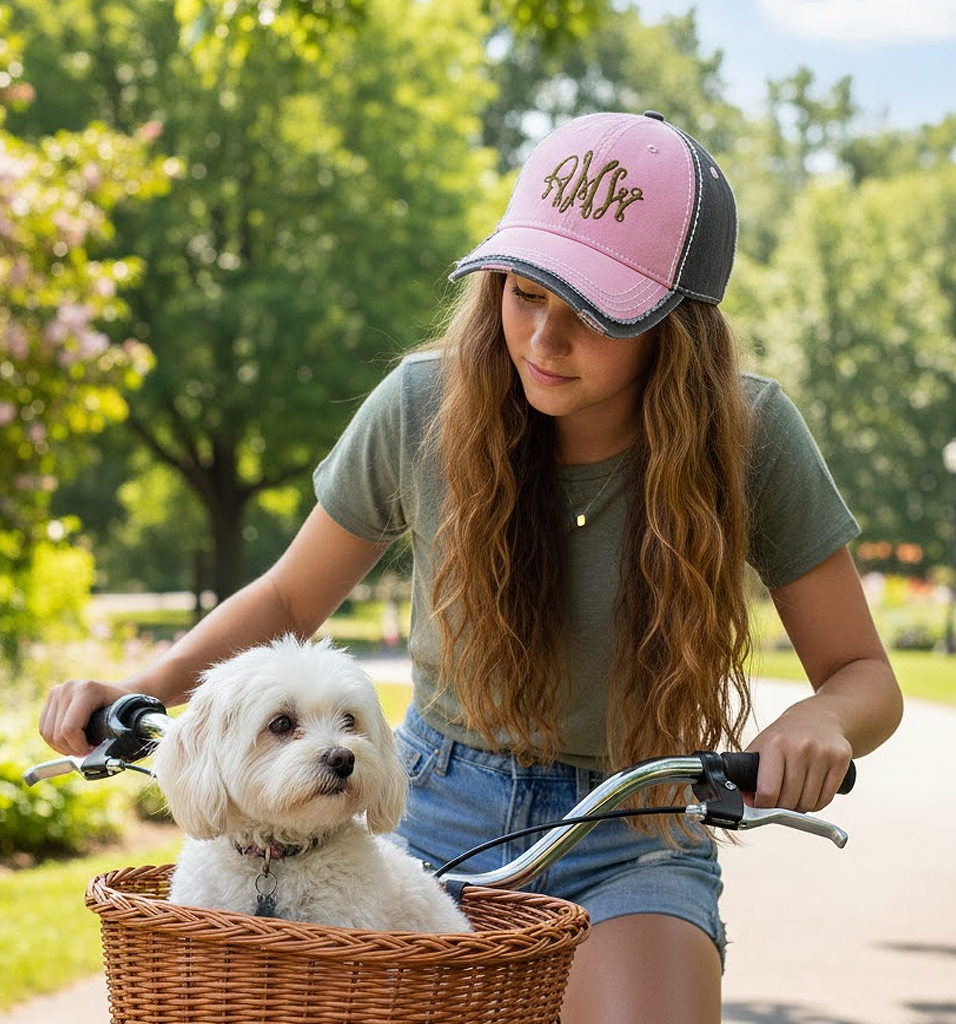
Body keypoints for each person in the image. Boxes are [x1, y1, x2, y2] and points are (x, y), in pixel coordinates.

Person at [39, 110, 903, 1023]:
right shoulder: (424, 403)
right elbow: (294, 594)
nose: (541, 340)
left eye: (594, 315)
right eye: (524, 293)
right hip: (427, 810)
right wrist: (141, 689)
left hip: (632, 825)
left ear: (674, 327)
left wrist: (821, 719)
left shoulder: (751, 435)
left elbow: (865, 676)